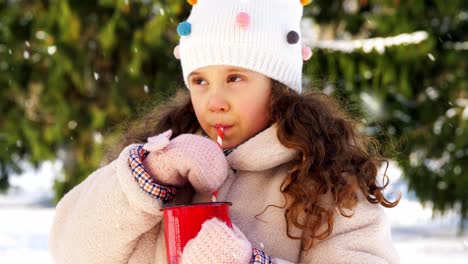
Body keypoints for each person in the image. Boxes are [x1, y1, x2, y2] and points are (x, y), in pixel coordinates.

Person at [49, 0, 401, 263]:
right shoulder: (165, 164)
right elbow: (71, 250)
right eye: (199, 80)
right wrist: (144, 178)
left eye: (235, 78)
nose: (213, 101)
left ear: (277, 87)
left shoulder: (329, 181)